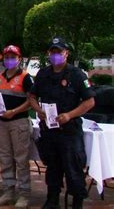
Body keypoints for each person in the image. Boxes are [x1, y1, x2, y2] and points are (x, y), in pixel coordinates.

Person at [29, 38, 95, 209]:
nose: (56, 55)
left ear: (66, 53)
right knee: (53, 167)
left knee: (73, 168)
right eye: (53, 52)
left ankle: (77, 202)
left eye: (59, 52)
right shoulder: (43, 74)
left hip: (69, 130)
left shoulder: (77, 74)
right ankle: (52, 199)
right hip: (50, 130)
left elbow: (89, 102)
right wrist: (38, 109)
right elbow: (32, 96)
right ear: (48, 54)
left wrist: (69, 115)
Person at [0, 45, 33, 208]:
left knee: (21, 159)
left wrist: (14, 111)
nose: (9, 60)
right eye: (7, 57)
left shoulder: (25, 77)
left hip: (19, 122)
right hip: (2, 123)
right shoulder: (0, 77)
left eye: (12, 57)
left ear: (19, 59)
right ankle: (8, 191)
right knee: (5, 158)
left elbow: (31, 101)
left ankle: (24, 194)